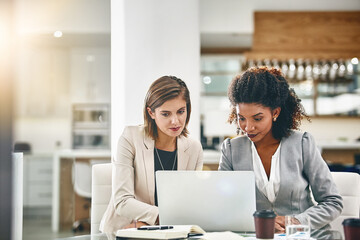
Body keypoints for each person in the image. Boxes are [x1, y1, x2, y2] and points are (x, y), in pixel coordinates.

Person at [219, 67, 343, 232]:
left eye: (257, 118)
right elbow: (223, 205)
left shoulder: (302, 144)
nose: (248, 127)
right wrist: (256, 222)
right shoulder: (231, 150)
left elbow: (332, 202)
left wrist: (295, 221)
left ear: (275, 112)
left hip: (303, 237)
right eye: (241, 118)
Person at [100, 76, 203, 233]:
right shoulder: (130, 138)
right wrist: (160, 219)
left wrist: (160, 223)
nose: (175, 121)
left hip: (173, 232)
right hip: (128, 230)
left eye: (181, 111)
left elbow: (191, 202)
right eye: (166, 114)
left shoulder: (194, 148)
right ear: (151, 113)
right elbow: (122, 201)